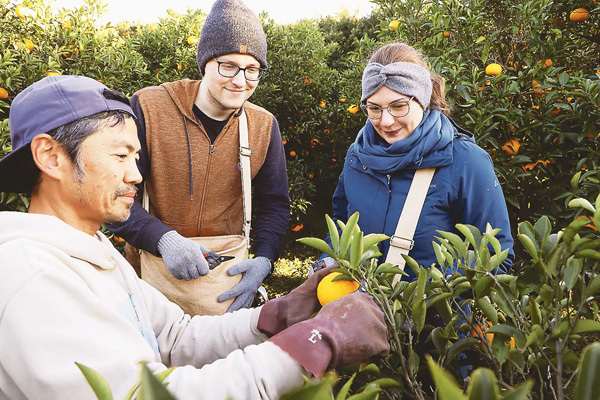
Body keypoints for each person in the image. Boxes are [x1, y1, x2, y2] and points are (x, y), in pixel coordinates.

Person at [0, 75, 389, 399]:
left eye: (136, 159)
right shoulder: (34, 277)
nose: (137, 175)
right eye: (120, 156)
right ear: (51, 157)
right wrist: (316, 341)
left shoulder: (92, 250)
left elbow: (173, 336)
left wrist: (279, 314)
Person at [107, 0, 290, 312]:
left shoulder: (262, 125)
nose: (240, 80)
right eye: (228, 66)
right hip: (153, 277)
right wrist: (163, 240)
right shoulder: (150, 108)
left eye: (252, 70)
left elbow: (274, 204)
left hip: (223, 282)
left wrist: (264, 260)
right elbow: (117, 196)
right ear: (205, 62)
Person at [325, 42, 514, 279]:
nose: (385, 121)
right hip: (356, 310)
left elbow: (495, 255)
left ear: (423, 99)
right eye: (374, 109)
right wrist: (328, 263)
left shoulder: (465, 161)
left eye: (398, 106)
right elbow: (341, 227)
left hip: (433, 313)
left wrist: (433, 294)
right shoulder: (358, 155)